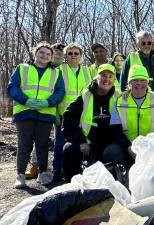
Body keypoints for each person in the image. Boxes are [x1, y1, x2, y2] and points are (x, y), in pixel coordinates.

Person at [7, 41, 65, 188]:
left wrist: (48, 102)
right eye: (41, 52)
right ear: (35, 53)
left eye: (48, 54)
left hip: (45, 113)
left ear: (51, 57)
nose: (44, 56)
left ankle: (43, 172)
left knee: (42, 145)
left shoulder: (56, 73)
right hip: (24, 112)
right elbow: (12, 87)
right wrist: (25, 100)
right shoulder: (22, 68)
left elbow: (60, 92)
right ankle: (20, 175)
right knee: (24, 144)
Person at [62, 64, 122, 182]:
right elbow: (68, 119)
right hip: (87, 142)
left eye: (110, 76)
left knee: (114, 153)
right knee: (69, 149)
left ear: (115, 80)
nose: (107, 79)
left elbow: (141, 93)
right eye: (103, 76)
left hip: (110, 142)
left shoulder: (119, 97)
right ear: (96, 78)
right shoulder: (85, 96)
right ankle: (72, 186)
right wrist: (81, 141)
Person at [110, 65, 154, 166]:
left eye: (143, 80)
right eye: (135, 80)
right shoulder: (120, 101)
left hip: (152, 146)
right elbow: (115, 130)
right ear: (129, 83)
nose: (139, 83)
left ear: (147, 82)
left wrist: (151, 146)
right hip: (128, 146)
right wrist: (129, 147)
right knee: (110, 152)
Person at [51, 43, 93, 183]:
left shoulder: (88, 71)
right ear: (65, 55)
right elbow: (52, 92)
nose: (73, 56)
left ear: (81, 55)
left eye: (76, 53)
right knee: (60, 143)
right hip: (64, 114)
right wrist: (55, 113)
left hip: (84, 115)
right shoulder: (58, 71)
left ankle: (79, 170)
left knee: (81, 142)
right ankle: (57, 170)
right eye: (70, 53)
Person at [25, 43, 66, 179]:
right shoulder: (42, 67)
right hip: (42, 108)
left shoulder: (64, 69)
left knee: (58, 141)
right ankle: (36, 166)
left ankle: (57, 167)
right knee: (39, 140)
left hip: (60, 110)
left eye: (61, 52)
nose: (58, 54)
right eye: (56, 51)